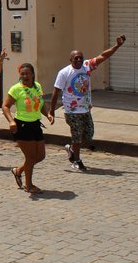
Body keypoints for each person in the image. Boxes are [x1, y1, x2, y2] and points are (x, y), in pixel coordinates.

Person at [49, 35, 126, 171]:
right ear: (71, 60)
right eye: (76, 58)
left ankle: (72, 149)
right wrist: (51, 111)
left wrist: (117, 46)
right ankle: (77, 160)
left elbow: (103, 56)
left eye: (80, 57)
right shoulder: (64, 73)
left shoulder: (87, 66)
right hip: (71, 110)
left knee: (88, 135)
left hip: (85, 109)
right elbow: (56, 91)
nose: (79, 60)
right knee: (77, 135)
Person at [2, 63, 53, 195]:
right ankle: (28, 185)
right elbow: (5, 106)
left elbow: (40, 104)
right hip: (22, 126)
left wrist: (47, 114)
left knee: (40, 156)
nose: (25, 76)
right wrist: (11, 121)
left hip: (36, 124)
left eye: (27, 73)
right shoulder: (16, 89)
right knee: (30, 157)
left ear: (32, 74)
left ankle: (18, 171)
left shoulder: (38, 86)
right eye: (22, 74)